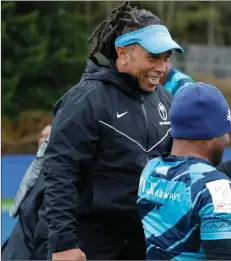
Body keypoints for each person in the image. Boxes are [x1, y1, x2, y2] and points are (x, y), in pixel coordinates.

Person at [42, 1, 185, 260]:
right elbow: (60, 173)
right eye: (152, 57)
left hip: (149, 242)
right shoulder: (84, 101)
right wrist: (63, 244)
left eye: (166, 58)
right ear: (122, 53)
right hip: (93, 244)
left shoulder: (166, 100)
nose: (162, 68)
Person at [137, 82, 231, 260]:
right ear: (211, 133)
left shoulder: (150, 169)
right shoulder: (216, 188)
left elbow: (190, 179)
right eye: (226, 132)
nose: (227, 139)